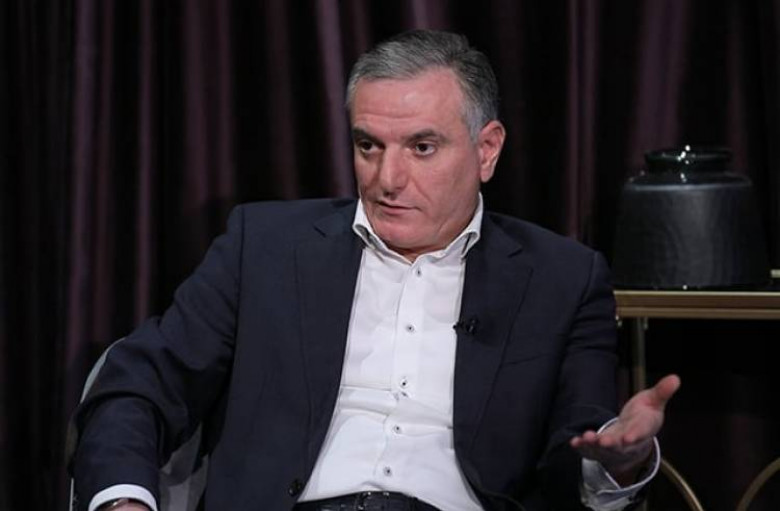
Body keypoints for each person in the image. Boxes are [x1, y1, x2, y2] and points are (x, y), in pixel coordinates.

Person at [71, 29, 680, 511]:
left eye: (422, 147)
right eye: (369, 146)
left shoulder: (562, 279)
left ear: (487, 149)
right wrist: (124, 501)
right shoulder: (265, 247)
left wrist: (618, 461)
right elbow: (136, 385)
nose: (388, 180)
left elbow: (577, 455)